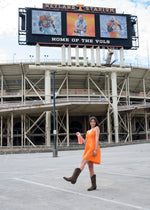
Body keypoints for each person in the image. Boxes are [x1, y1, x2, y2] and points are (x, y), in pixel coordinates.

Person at [63, 116, 101, 191]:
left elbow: (97, 139)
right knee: (90, 167)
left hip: (92, 148)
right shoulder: (88, 131)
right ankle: (94, 185)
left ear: (96, 122)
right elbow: (85, 142)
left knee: (83, 161)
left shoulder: (96, 128)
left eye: (94, 121)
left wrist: (95, 149)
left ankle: (74, 177)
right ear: (89, 122)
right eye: (91, 121)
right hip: (88, 148)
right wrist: (80, 136)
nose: (93, 123)